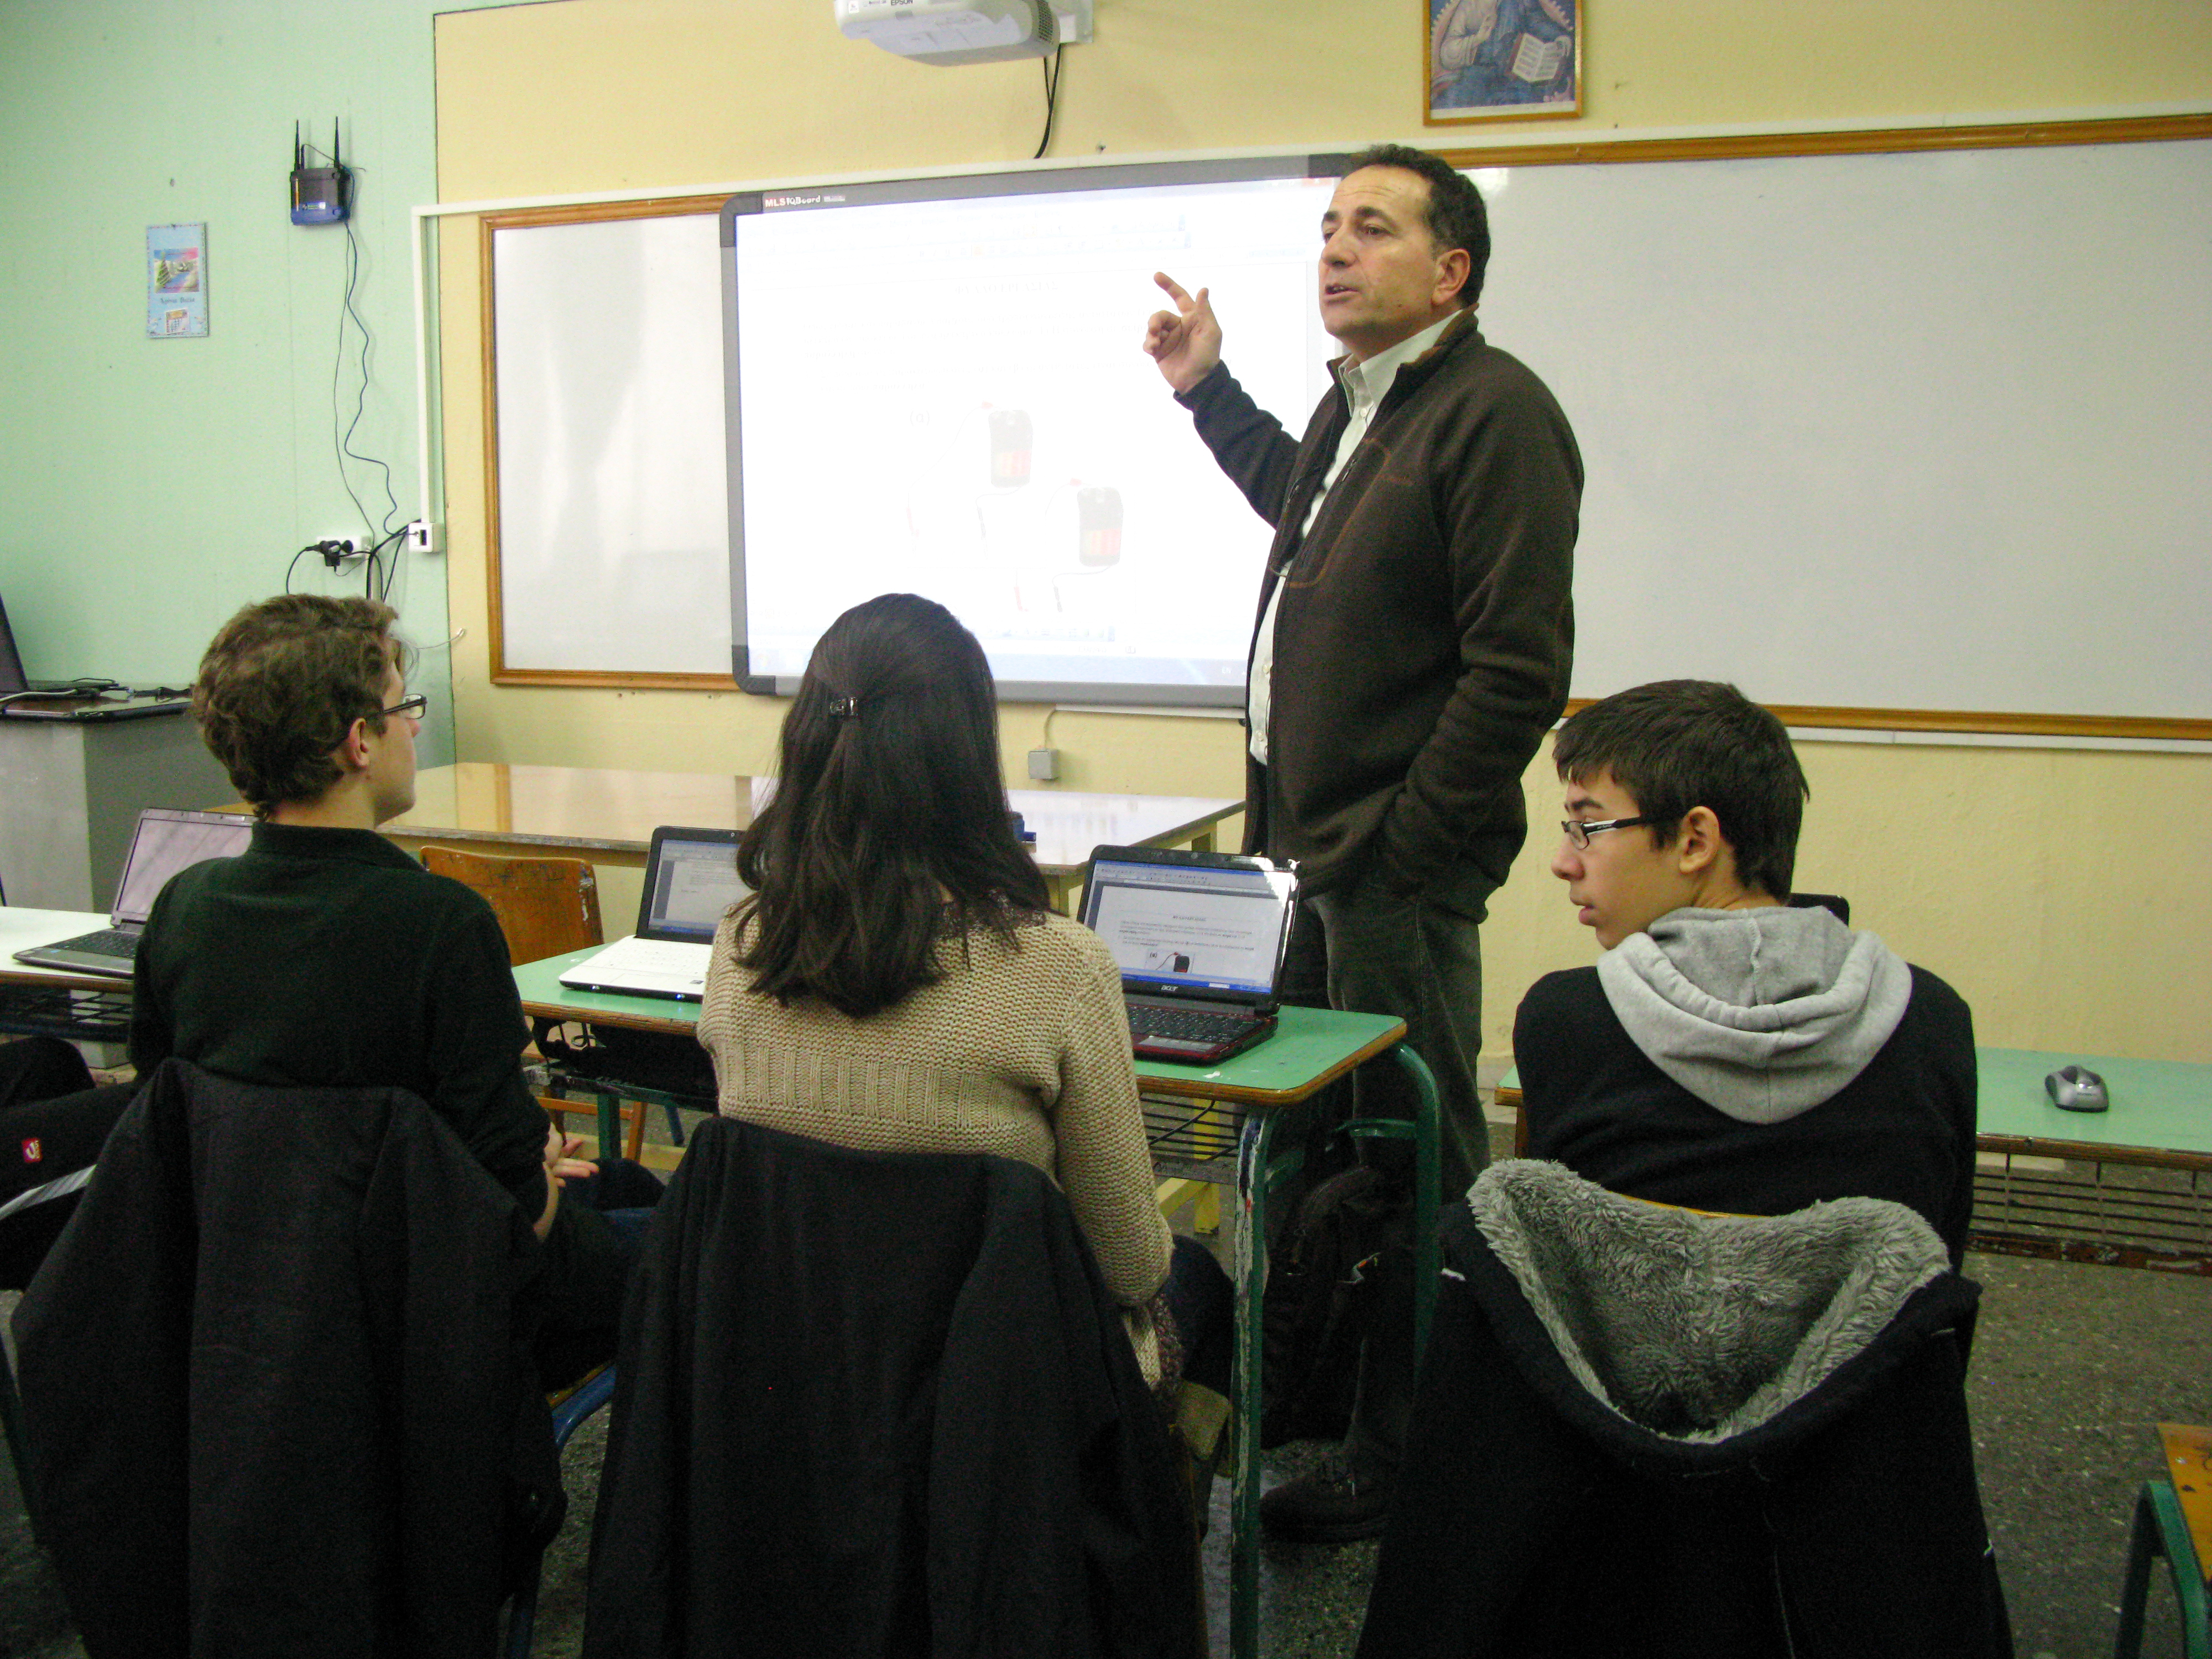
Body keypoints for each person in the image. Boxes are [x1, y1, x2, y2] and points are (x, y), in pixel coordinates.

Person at [1144, 142, 1579, 1537]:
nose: (1334, 249)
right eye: (1328, 226)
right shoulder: (1366, 407)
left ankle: (1416, 1462)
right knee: (1333, 1159)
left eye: (1371, 229)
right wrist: (1205, 388)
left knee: (1412, 1161)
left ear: (1450, 269)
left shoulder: (1494, 413)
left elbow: (1515, 668)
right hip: (1310, 864)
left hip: (1381, 871)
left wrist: (1401, 843)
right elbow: (1300, 511)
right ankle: (1338, 1414)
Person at [696, 592, 1231, 1406]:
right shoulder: (1061, 971)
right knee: (1193, 1278)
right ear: (966, 761)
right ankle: (1158, 1521)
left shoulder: (741, 950)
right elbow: (1129, 1267)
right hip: (999, 1410)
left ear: (805, 746)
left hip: (795, 1387)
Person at [130, 593, 659, 1383]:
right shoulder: (440, 926)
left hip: (257, 1290)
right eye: (401, 709)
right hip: (441, 1303)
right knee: (703, 1248)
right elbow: (514, 1211)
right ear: (359, 743)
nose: (414, 726)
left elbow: (165, 1124)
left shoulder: (184, 909)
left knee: (619, 1182)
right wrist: (536, 1166)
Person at [1516, 679, 1978, 1265]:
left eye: (1586, 827)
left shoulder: (1564, 1019)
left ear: (1694, 841)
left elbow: (1550, 1277)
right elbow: (1940, 1275)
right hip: (1865, 1358)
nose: (1563, 862)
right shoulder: (1932, 1017)